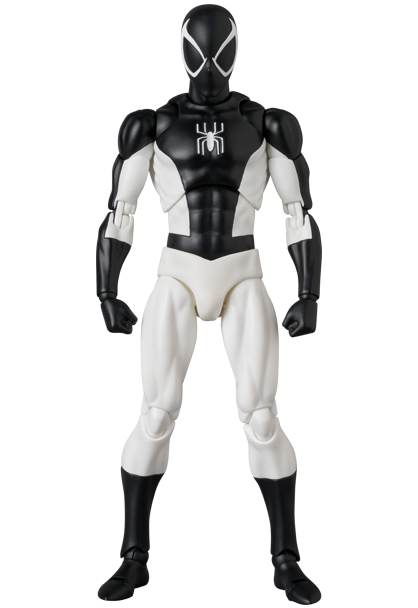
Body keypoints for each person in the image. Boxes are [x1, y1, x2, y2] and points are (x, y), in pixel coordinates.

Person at [96, 4, 322, 603]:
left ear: (235, 49)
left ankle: (285, 559)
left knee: (262, 417)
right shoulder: (152, 125)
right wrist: (107, 291)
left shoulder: (266, 124)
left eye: (219, 49)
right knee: (156, 414)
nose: (210, 63)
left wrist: (309, 293)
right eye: (201, 50)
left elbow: (297, 212)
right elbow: (121, 211)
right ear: (184, 51)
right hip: (178, 271)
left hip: (243, 272)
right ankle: (134, 556)